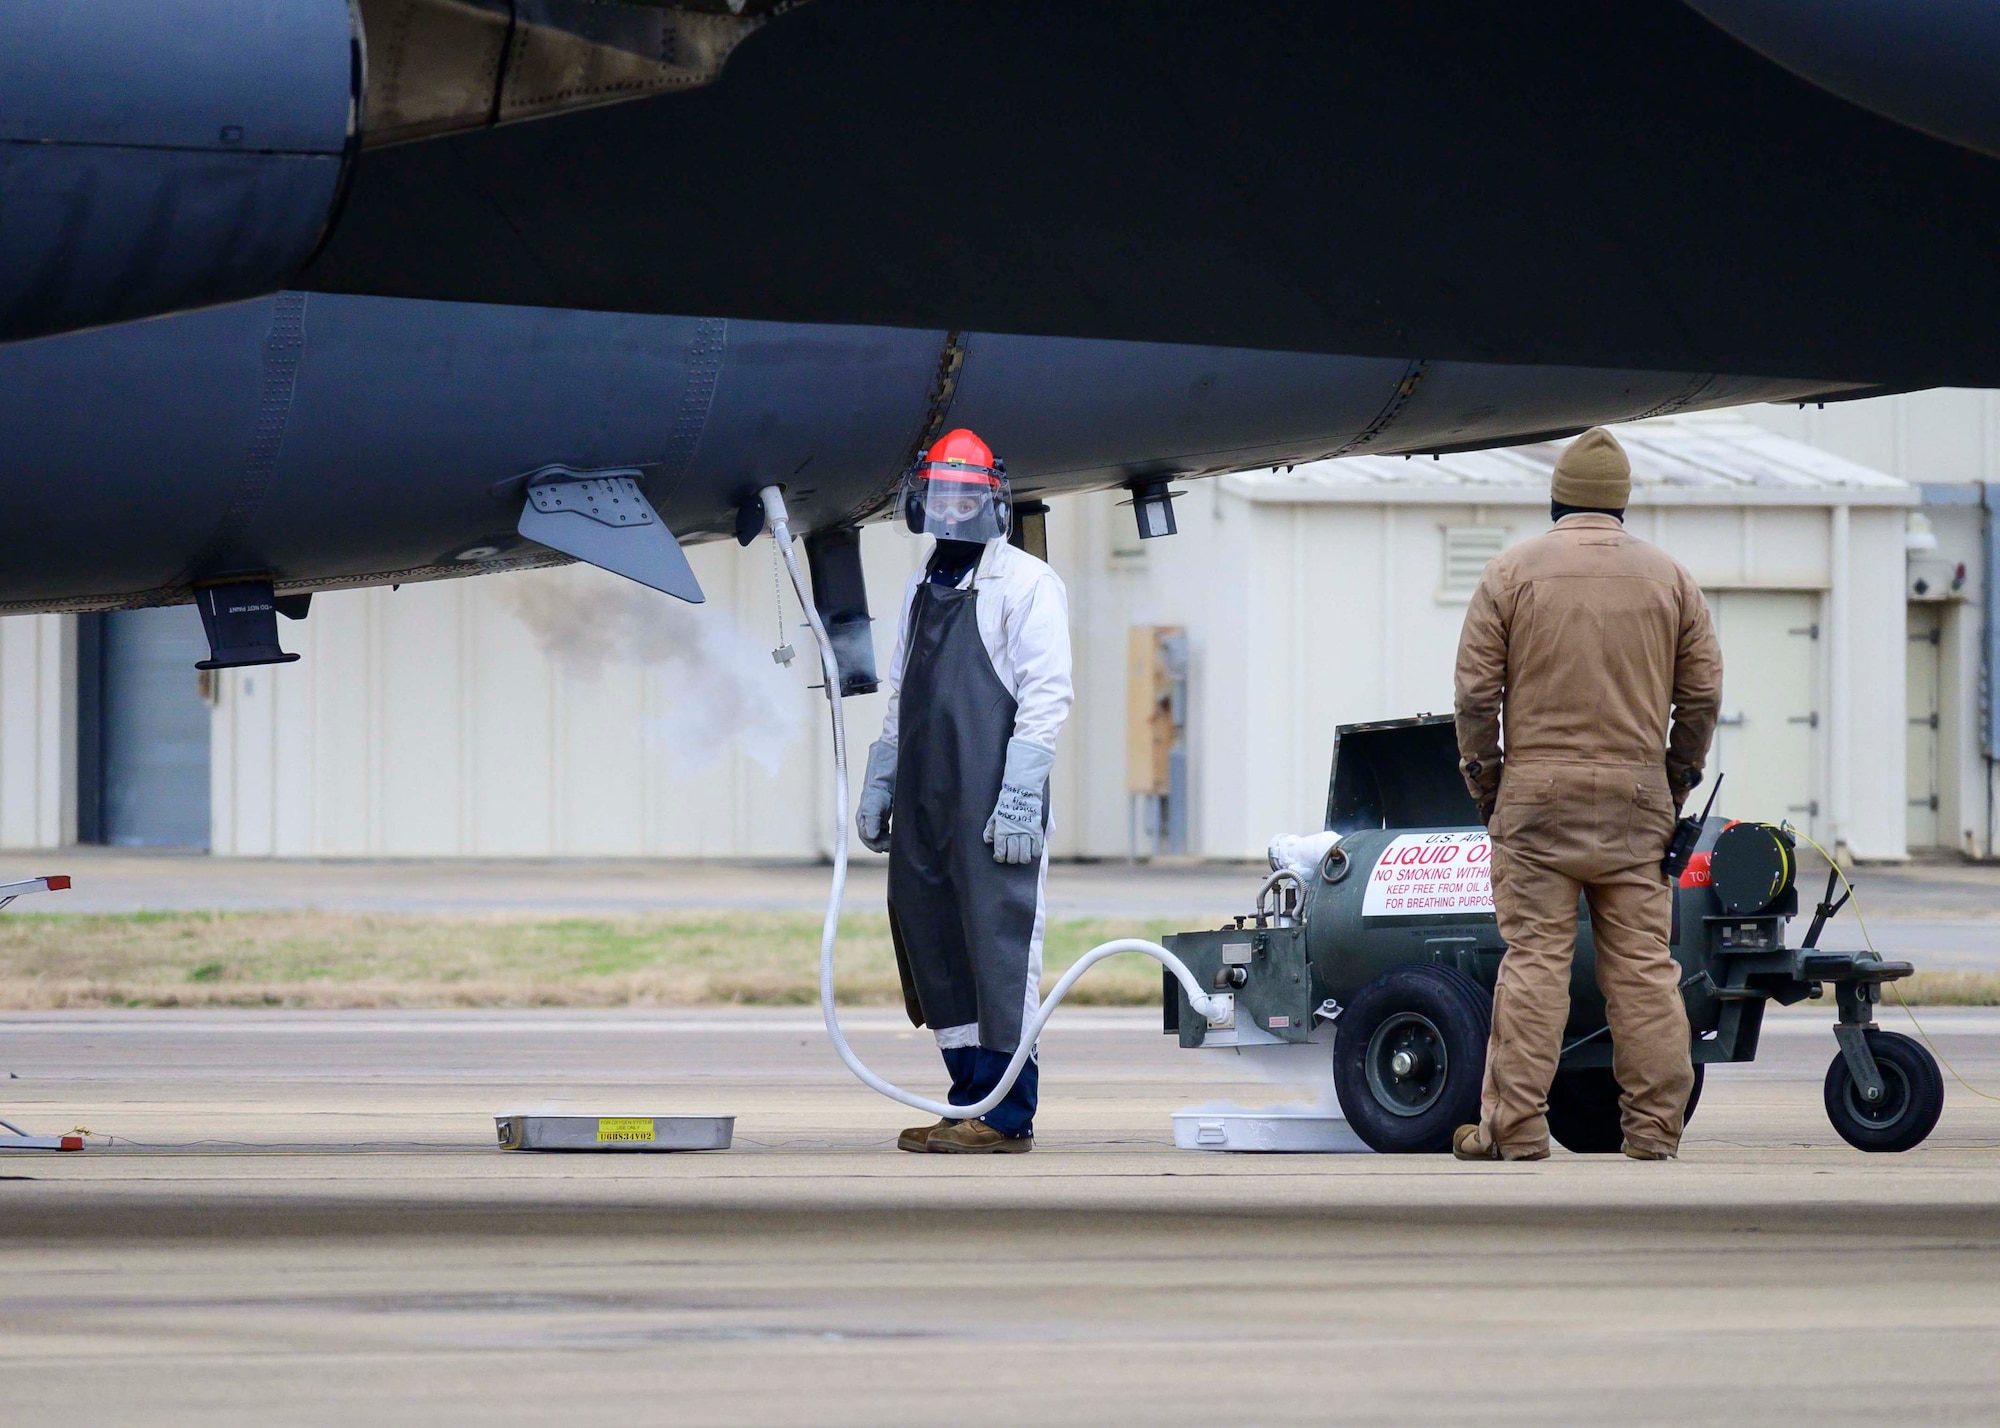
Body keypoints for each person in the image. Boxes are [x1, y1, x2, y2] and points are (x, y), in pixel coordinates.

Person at [1451, 427, 1722, 1161]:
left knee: (1534, 961)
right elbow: (1700, 696)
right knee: (1642, 969)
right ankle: (1654, 1133)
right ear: (1622, 505)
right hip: (1638, 801)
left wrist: (1489, 784)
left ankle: (1516, 1131)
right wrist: (1673, 780)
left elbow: (1476, 697)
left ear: (1555, 499)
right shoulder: (1671, 579)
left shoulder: (1510, 572)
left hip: (1535, 799)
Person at [853, 428, 1072, 1154]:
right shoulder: (924, 584)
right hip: (924, 797)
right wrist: (883, 776)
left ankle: (1008, 1115)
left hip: (989, 801)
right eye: (939, 499)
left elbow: (1046, 696)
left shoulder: (1029, 585)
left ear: (992, 501)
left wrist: (1018, 798)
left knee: (998, 946)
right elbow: (901, 691)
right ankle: (966, 1098)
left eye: (963, 499)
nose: (951, 515)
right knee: (933, 942)